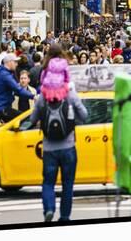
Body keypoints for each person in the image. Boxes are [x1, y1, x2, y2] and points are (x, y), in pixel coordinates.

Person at [29, 47, 88, 222]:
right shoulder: (69, 93)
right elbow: (84, 115)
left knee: (48, 182)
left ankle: (49, 209)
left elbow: (33, 118)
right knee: (67, 185)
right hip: (69, 146)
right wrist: (73, 120)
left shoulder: (43, 96)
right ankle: (64, 217)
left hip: (48, 147)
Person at [0, 53, 35, 123]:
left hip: (0, 107)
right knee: (24, 119)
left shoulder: (3, 73)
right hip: (2, 108)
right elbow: (18, 89)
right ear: (10, 62)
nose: (16, 64)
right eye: (15, 62)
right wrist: (33, 96)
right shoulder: (5, 75)